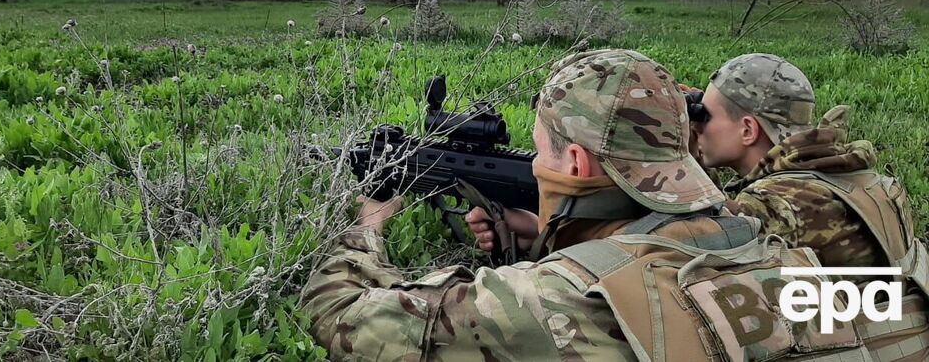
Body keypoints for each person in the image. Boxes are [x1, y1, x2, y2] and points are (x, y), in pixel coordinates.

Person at [300, 49, 867, 361]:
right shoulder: (776, 250)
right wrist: (541, 233)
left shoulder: (553, 301)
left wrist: (370, 224)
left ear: (574, 164)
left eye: (540, 146)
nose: (535, 161)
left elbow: (338, 313)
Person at [693, 53, 929, 362]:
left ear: (748, 130)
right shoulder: (857, 178)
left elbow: (680, 244)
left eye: (704, 116)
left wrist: (677, 151)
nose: (696, 127)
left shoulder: (771, 206)